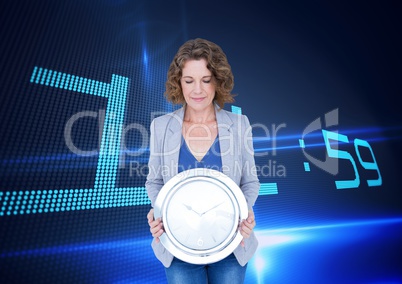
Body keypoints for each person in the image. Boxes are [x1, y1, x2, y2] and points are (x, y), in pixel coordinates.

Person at [146, 38, 260, 284]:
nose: (197, 89)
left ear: (218, 81)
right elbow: (154, 181)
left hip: (231, 244)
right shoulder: (161, 127)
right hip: (178, 246)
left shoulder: (239, 125)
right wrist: (160, 212)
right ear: (179, 82)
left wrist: (244, 213)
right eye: (189, 81)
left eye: (206, 80)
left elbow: (250, 181)